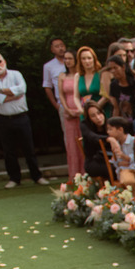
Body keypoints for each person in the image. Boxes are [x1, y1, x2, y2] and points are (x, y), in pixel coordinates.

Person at [0, 51, 48, 189]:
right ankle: (14, 178)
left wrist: (0, 90)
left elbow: (22, 89)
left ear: (4, 61)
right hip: (2, 119)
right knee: (8, 151)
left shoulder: (16, 74)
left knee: (29, 148)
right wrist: (12, 94)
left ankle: (37, 176)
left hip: (21, 116)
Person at [55, 50, 84, 178]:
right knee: (71, 144)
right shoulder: (62, 76)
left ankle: (85, 174)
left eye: (70, 58)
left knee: (82, 142)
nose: (67, 61)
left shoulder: (80, 75)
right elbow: (61, 94)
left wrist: (79, 110)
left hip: (81, 111)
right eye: (65, 59)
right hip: (68, 113)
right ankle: (74, 176)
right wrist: (67, 109)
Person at [105, 116, 135, 188]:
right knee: (129, 182)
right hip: (124, 169)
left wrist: (125, 157)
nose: (108, 132)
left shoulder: (133, 140)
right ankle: (134, 198)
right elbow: (114, 161)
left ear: (120, 129)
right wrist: (118, 163)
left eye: (110, 129)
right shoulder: (115, 144)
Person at [78, 100, 111, 180]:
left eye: (99, 113)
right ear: (89, 118)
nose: (98, 118)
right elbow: (92, 136)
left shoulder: (109, 123)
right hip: (93, 161)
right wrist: (108, 139)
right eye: (93, 116)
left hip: (110, 159)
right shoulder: (84, 125)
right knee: (113, 169)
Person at [74, 46, 106, 117]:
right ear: (80, 61)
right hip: (85, 112)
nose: (87, 61)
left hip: (101, 111)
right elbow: (76, 96)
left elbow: (106, 96)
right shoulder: (78, 76)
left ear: (94, 59)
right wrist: (81, 110)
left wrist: (94, 109)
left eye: (89, 58)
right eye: (83, 59)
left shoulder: (101, 74)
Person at [41, 37, 67, 112]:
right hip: (61, 103)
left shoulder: (73, 62)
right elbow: (47, 87)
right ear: (52, 49)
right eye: (57, 46)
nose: (60, 48)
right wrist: (56, 105)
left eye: (62, 45)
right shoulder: (48, 66)